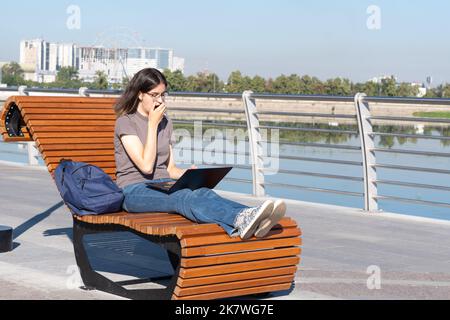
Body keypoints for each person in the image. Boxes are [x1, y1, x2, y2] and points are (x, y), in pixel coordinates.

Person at [114, 68, 286, 240]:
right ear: (140, 94)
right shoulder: (126, 123)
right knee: (182, 197)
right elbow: (145, 166)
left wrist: (189, 175)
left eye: (163, 95)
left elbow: (170, 169)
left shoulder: (165, 122)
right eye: (154, 95)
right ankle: (241, 218)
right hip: (134, 190)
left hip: (163, 184)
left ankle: (250, 215)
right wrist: (152, 124)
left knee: (202, 191)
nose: (160, 101)